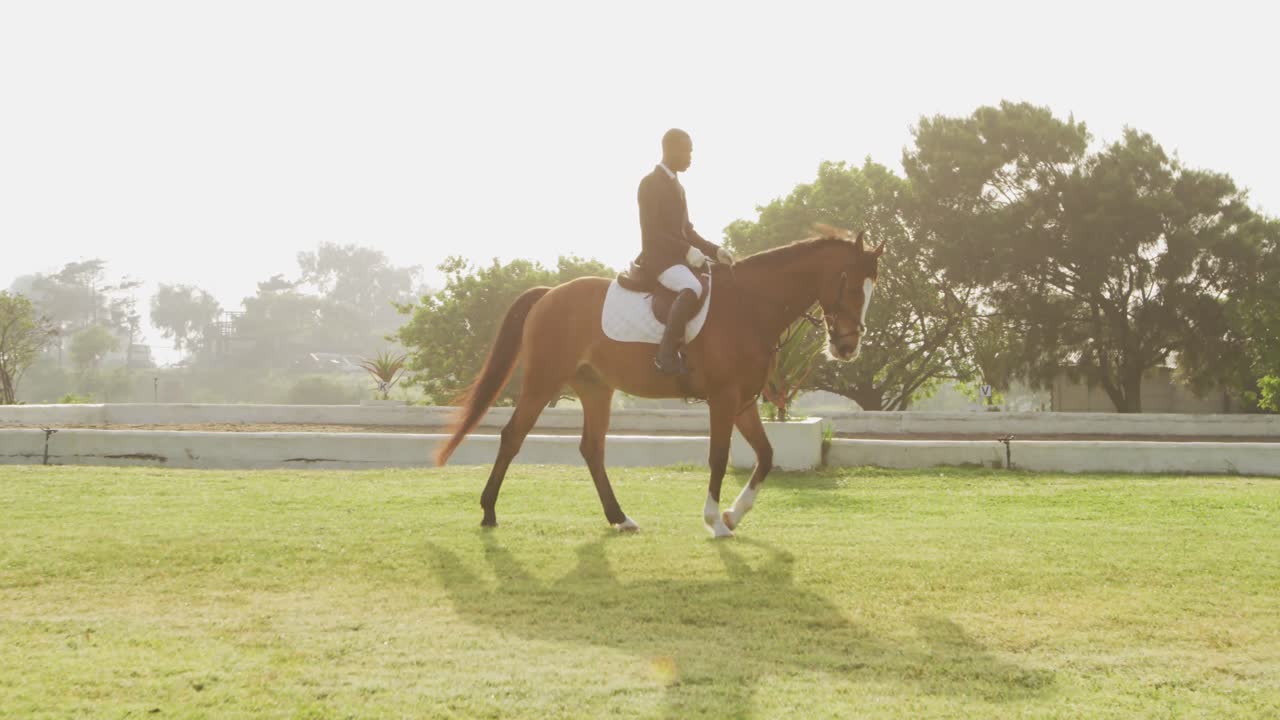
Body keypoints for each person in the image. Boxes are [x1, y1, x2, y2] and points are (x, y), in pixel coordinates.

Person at [635, 128, 735, 376]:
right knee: (692, 288)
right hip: (658, 259)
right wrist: (686, 250)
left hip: (678, 258)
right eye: (687, 150)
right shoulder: (650, 183)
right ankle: (665, 355)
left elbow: (687, 230)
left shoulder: (678, 186)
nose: (691, 156)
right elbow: (652, 231)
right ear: (670, 149)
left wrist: (715, 249)